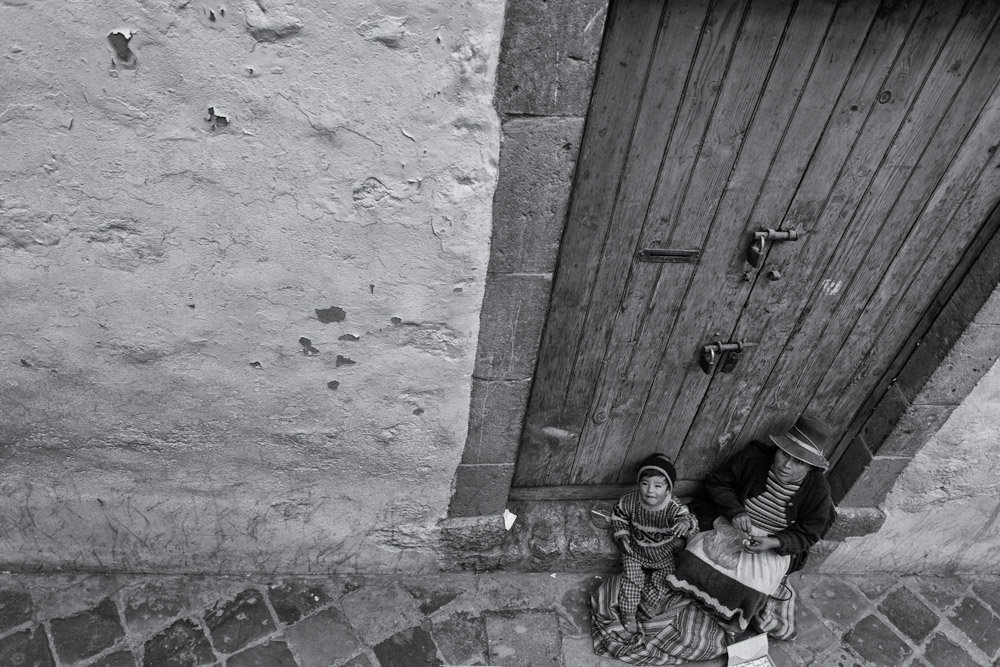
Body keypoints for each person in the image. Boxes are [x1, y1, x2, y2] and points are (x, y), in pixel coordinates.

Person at [591, 416, 835, 664]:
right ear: (778, 448)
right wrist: (736, 512)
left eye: (798, 462)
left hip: (772, 542)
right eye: (784, 454)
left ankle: (729, 620)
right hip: (731, 524)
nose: (787, 465)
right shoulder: (755, 458)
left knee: (752, 587)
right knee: (691, 561)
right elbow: (718, 483)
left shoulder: (818, 490)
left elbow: (809, 533)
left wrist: (773, 543)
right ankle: (690, 599)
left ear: (811, 468)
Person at [611, 453, 698, 635]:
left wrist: (685, 523)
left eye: (658, 486)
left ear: (668, 489)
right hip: (634, 551)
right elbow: (618, 516)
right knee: (631, 580)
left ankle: (646, 603)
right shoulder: (630, 501)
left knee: (664, 582)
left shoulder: (673, 506)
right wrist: (622, 536)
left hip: (662, 554)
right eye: (645, 484)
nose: (650, 490)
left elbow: (688, 517)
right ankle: (628, 613)